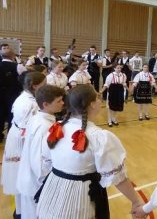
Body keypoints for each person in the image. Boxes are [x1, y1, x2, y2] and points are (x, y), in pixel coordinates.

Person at [35, 85, 144, 219]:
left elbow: (46, 162)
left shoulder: (56, 128)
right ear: (92, 104)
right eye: (98, 98)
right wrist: (136, 201)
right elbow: (118, 178)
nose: (100, 101)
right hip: (79, 196)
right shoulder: (98, 137)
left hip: (52, 190)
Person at [1, 72, 46, 218]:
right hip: (22, 139)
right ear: (35, 85)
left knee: (21, 176)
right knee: (25, 176)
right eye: (44, 84)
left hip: (18, 135)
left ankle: (21, 210)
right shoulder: (29, 103)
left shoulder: (26, 97)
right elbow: (28, 128)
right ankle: (25, 212)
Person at [16, 85, 65, 219]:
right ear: (45, 104)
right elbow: (39, 161)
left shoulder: (41, 118)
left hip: (31, 179)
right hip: (36, 185)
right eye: (59, 101)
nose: (63, 103)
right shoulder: (44, 126)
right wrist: (47, 186)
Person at [0, 50, 23, 142]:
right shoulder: (18, 66)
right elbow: (24, 78)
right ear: (13, 56)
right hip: (12, 93)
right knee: (11, 114)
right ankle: (10, 134)